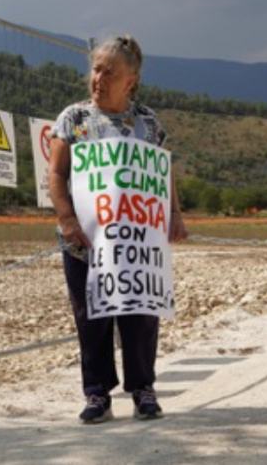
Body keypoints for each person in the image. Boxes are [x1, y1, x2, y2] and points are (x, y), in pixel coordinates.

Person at [48, 35, 188, 424]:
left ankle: (143, 389)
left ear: (132, 80)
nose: (98, 78)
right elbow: (57, 174)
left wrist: (174, 213)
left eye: (109, 72)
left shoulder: (148, 122)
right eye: (96, 68)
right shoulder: (73, 120)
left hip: (136, 245)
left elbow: (163, 174)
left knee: (141, 314)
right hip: (85, 244)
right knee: (90, 318)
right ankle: (97, 395)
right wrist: (67, 220)